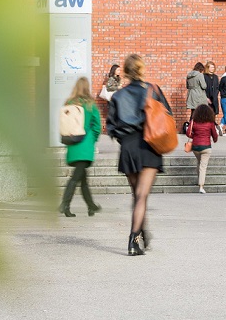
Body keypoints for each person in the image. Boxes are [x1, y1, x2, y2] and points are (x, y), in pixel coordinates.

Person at [107, 53, 173, 256]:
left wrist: (125, 137)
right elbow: (168, 115)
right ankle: (134, 239)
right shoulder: (152, 90)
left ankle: (141, 232)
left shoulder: (118, 96)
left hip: (128, 147)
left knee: (137, 196)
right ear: (142, 70)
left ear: (125, 72)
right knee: (142, 196)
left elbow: (111, 128)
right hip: (149, 145)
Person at [59, 76, 102, 217]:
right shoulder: (90, 104)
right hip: (85, 146)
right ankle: (64, 204)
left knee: (83, 178)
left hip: (72, 145)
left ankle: (91, 206)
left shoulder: (68, 103)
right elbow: (97, 127)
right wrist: (92, 140)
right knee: (76, 177)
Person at [187, 103, 219, 193]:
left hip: (196, 147)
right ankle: (201, 186)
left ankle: (199, 179)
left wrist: (195, 135)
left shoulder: (194, 121)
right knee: (203, 166)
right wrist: (215, 140)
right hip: (206, 147)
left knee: (199, 162)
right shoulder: (210, 123)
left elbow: (188, 132)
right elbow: (214, 135)